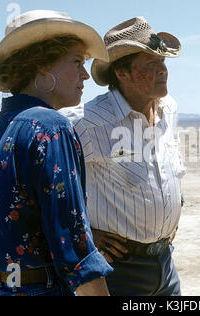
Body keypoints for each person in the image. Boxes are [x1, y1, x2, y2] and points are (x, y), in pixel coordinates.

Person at [0, 10, 114, 296]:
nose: (85, 74)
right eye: (77, 62)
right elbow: (75, 248)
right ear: (42, 68)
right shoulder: (51, 127)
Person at [60, 16, 186, 296]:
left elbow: (165, 171)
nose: (162, 70)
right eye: (150, 65)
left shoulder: (169, 109)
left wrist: (173, 208)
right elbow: (41, 181)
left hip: (165, 263)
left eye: (162, 62)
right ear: (122, 74)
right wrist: (84, 234)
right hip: (117, 271)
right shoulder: (88, 122)